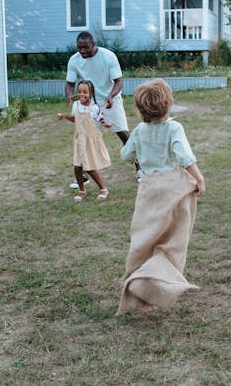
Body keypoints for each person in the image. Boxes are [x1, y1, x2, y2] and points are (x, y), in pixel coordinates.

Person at [116, 79, 205, 315]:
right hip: (173, 188)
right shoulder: (174, 129)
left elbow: (126, 155)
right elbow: (184, 157)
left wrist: (138, 148)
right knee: (172, 241)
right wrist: (199, 178)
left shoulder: (139, 130)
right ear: (168, 103)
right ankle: (154, 281)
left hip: (148, 189)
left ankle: (136, 282)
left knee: (144, 239)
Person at [65, 32, 142, 186]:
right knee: (84, 139)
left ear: (94, 44)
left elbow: (119, 81)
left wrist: (111, 96)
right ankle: (83, 174)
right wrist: (69, 95)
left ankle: (141, 168)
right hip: (89, 104)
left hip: (110, 100)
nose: (82, 51)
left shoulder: (108, 56)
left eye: (85, 47)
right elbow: (70, 83)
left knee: (124, 134)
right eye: (79, 48)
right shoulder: (74, 60)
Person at [57, 80, 112, 202]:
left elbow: (101, 119)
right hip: (79, 140)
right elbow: (76, 119)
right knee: (77, 167)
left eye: (85, 92)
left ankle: (103, 188)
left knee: (88, 166)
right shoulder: (76, 105)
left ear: (91, 94)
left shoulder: (95, 108)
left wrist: (106, 124)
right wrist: (65, 116)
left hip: (90, 141)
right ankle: (82, 190)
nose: (82, 94)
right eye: (80, 91)